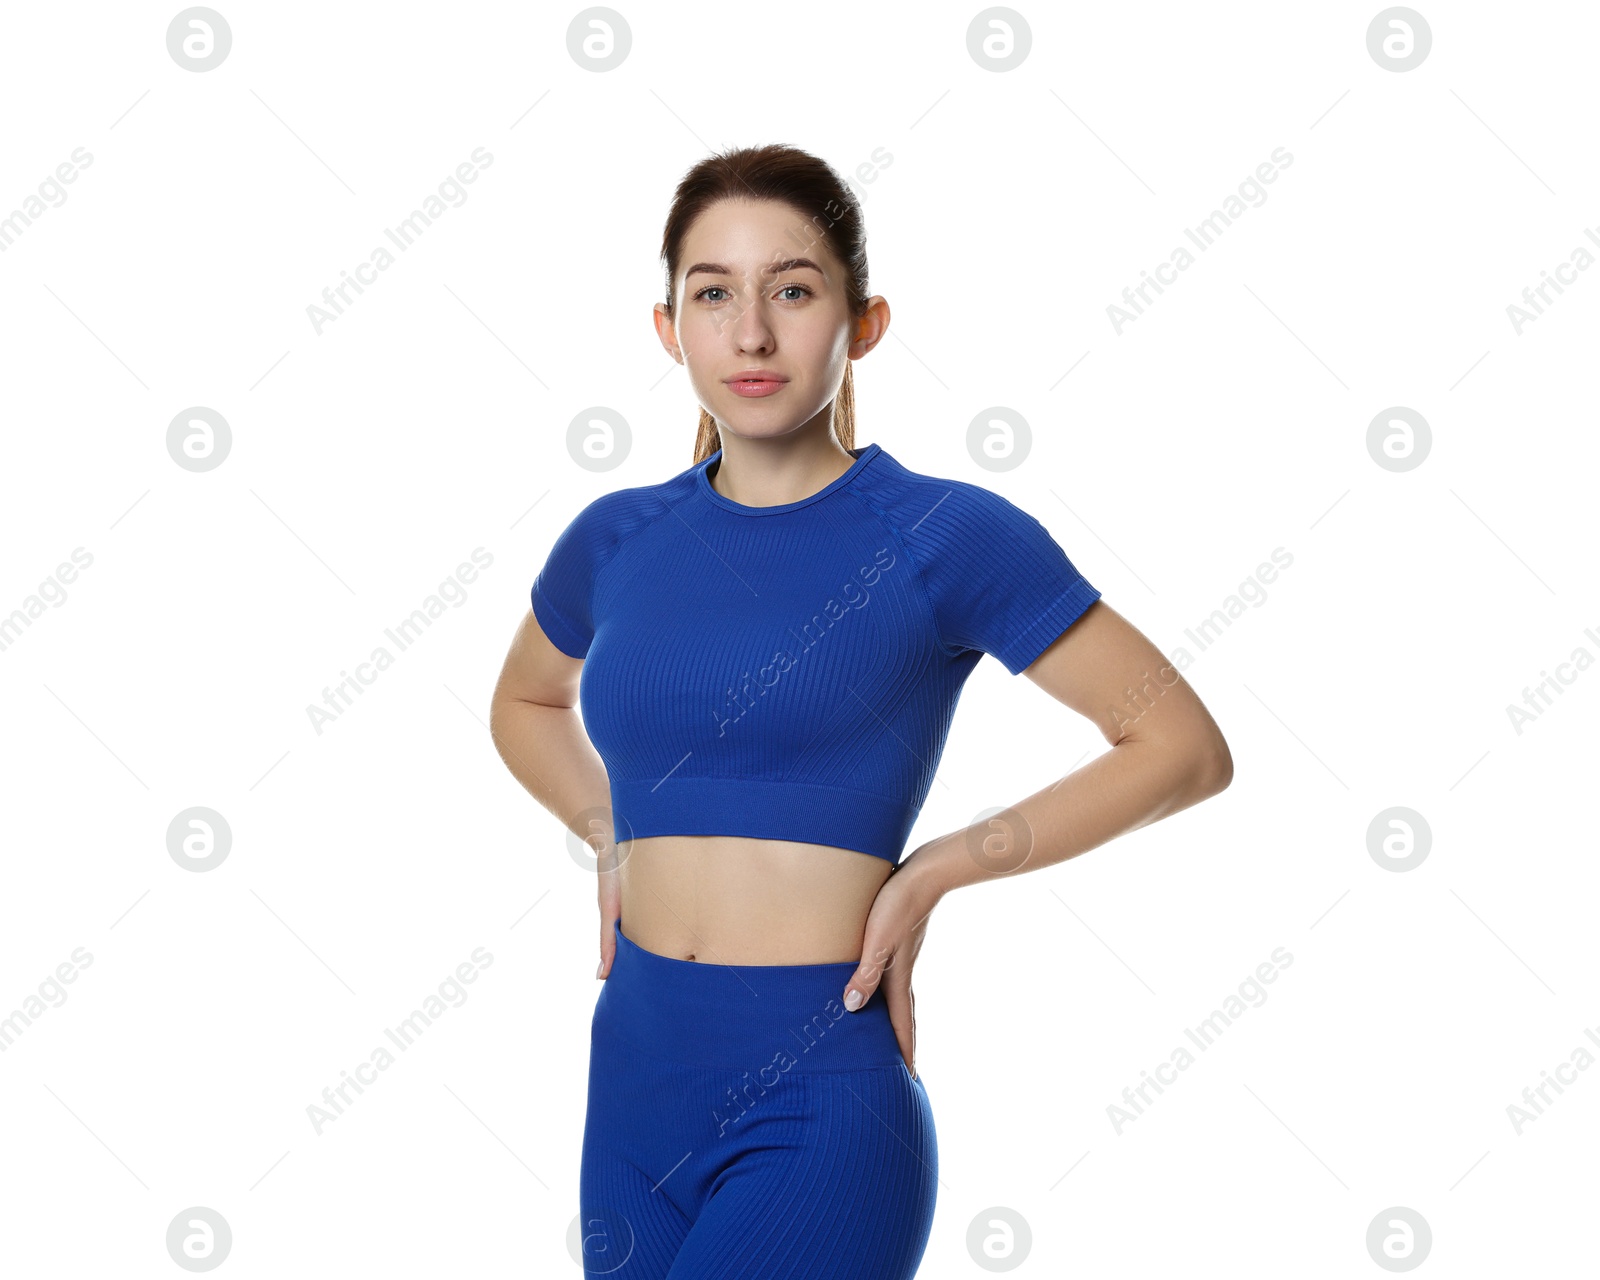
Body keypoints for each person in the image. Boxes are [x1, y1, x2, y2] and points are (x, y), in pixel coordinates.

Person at [490, 143, 1233, 1280]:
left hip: (821, 1099)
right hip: (633, 1080)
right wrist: (605, 828)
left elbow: (1179, 746)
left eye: (791, 289)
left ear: (864, 321)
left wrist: (936, 868)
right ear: (665, 327)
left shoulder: (942, 534)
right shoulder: (614, 537)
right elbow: (526, 699)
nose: (750, 333)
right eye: (712, 294)